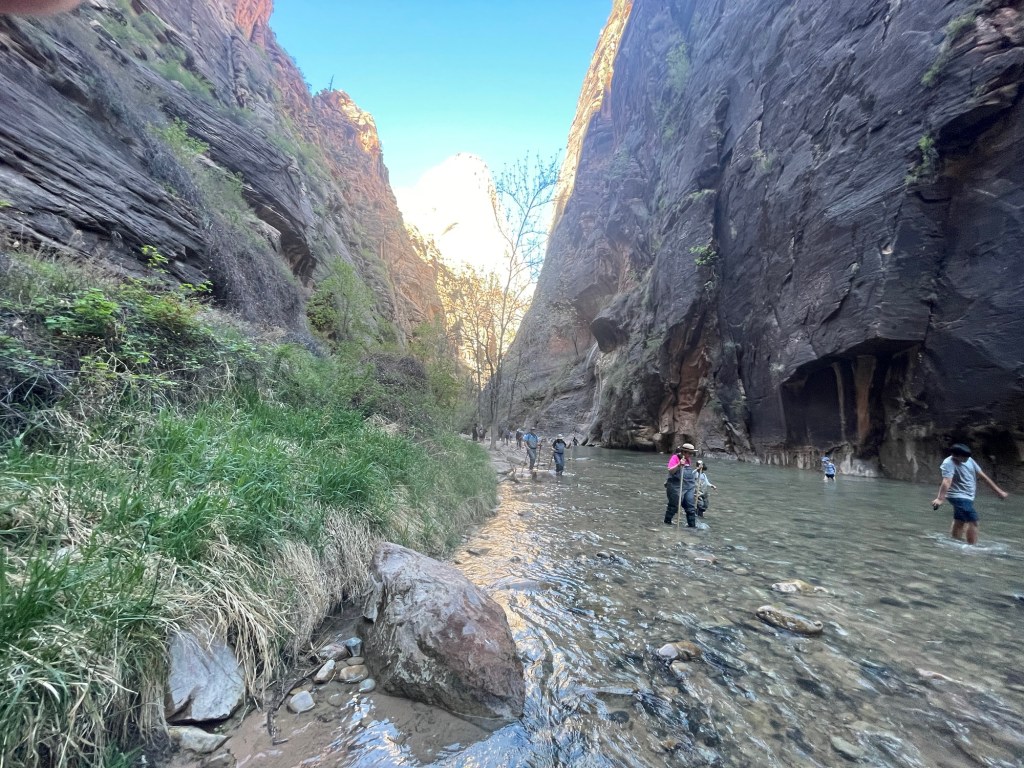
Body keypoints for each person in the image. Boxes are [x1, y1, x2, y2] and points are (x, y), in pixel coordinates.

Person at [931, 443, 1008, 545]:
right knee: (973, 521)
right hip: (958, 496)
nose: (967, 459)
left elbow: (983, 476)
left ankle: (954, 543)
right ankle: (971, 547)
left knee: (960, 520)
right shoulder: (948, 463)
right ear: (955, 455)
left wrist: (999, 491)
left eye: (968, 457)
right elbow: (946, 481)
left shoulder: (969, 460)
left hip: (968, 496)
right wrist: (940, 498)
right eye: (964, 457)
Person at [664, 443, 698, 526]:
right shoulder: (675, 458)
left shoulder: (688, 460)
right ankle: (667, 524)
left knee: (690, 507)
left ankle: (692, 527)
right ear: (683, 452)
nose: (691, 455)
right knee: (673, 506)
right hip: (676, 486)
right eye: (689, 453)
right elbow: (671, 471)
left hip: (688, 486)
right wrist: (679, 465)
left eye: (691, 453)